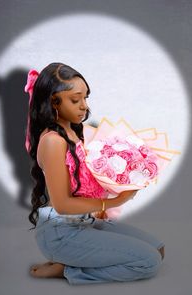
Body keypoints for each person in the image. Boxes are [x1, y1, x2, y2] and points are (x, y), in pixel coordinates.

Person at [25, 62, 165, 285]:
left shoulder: (73, 130)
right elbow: (62, 205)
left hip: (84, 221)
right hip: (61, 233)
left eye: (85, 98)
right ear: (54, 101)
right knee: (149, 262)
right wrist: (112, 202)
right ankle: (68, 270)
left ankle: (81, 258)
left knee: (159, 249)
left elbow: (83, 181)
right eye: (75, 99)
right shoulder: (53, 141)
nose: (83, 106)